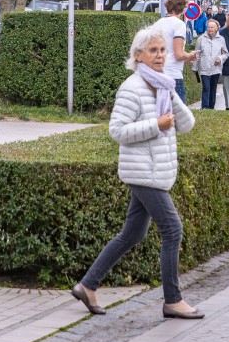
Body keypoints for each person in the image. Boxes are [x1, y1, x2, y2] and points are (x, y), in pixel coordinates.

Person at [71, 25, 202, 320]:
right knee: (172, 229)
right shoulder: (132, 87)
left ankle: (88, 285)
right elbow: (117, 131)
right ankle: (173, 300)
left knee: (132, 233)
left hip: (155, 171)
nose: (159, 55)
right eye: (152, 51)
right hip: (145, 172)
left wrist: (170, 97)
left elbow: (188, 124)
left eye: (162, 50)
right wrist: (156, 124)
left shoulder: (163, 84)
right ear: (138, 55)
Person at [156, 0, 198, 101]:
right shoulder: (179, 24)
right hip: (173, 75)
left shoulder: (158, 23)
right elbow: (178, 54)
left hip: (158, 73)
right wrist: (189, 55)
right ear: (183, 8)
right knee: (179, 115)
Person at [195, 19, 228, 110]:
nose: (210, 29)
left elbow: (226, 54)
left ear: (217, 28)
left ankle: (211, 107)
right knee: (206, 87)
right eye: (208, 27)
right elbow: (196, 53)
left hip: (215, 68)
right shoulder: (201, 39)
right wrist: (194, 68)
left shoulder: (221, 39)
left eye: (212, 27)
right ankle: (204, 107)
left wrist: (220, 58)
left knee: (213, 88)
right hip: (204, 67)